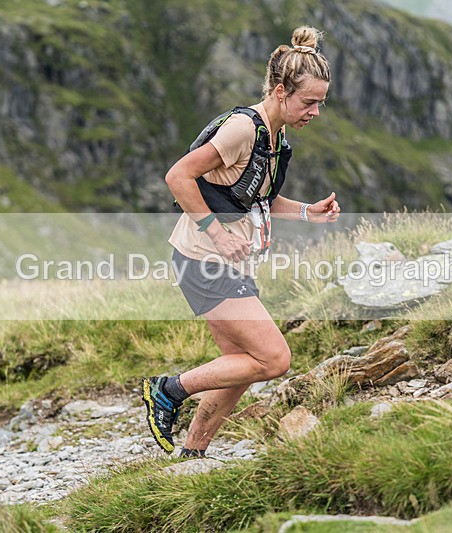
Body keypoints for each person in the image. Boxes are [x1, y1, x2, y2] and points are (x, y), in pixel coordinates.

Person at [142, 26, 340, 458]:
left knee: (241, 365)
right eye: (309, 102)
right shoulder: (242, 129)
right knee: (273, 359)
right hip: (204, 261)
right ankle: (168, 390)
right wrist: (216, 232)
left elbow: (254, 196)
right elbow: (178, 176)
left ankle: (192, 454)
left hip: (231, 263)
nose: (315, 112)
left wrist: (307, 212)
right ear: (281, 91)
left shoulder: (275, 133)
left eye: (320, 103)